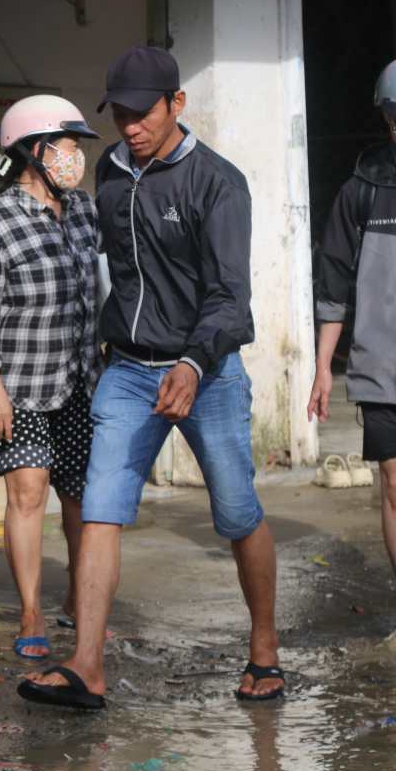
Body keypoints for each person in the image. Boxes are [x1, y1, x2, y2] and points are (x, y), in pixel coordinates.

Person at [19, 46, 283, 709]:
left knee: (236, 510)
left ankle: (264, 651)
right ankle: (87, 663)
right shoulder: (107, 171)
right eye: (122, 113)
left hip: (209, 372)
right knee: (101, 509)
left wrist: (194, 362)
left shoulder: (216, 183)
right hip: (128, 371)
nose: (131, 125)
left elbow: (230, 297)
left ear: (177, 105)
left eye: (144, 112)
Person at [0, 95, 101, 661]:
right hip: (18, 385)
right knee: (27, 493)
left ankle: (77, 599)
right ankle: (30, 612)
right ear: (34, 151)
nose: (75, 158)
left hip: (80, 379)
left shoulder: (85, 211)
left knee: (79, 498)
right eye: (67, 146)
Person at [310, 56, 396, 652]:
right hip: (382, 373)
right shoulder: (363, 189)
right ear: (386, 120)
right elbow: (334, 281)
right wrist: (324, 367)